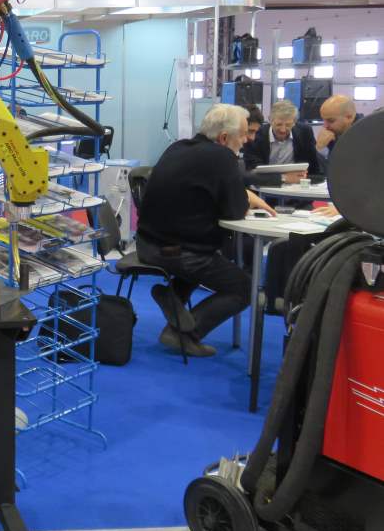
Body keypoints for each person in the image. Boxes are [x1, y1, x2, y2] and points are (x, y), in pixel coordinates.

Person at [136, 104, 276, 357]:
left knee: (206, 252)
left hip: (147, 244)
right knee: (243, 287)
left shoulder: (178, 147)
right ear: (224, 137)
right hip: (179, 252)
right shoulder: (222, 158)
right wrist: (246, 197)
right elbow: (234, 211)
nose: (247, 141)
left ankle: (172, 295)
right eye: (243, 134)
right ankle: (183, 335)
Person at [242, 99, 319, 182]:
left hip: (298, 184)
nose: (283, 130)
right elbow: (252, 169)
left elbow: (314, 167)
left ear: (294, 122)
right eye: (279, 124)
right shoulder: (255, 135)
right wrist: (283, 178)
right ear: (270, 120)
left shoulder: (305, 133)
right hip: (265, 184)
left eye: (288, 125)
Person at [316, 94, 362, 172]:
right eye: (324, 120)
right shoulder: (333, 134)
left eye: (330, 121)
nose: (325, 126)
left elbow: (341, 171)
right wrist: (320, 148)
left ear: (349, 117)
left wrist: (320, 149)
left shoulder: (366, 136)